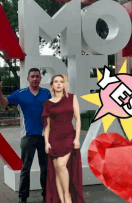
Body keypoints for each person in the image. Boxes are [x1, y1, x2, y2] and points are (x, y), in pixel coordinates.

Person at [0, 68, 51, 203]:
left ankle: (47, 196)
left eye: (37, 76)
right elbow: (4, 103)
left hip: (45, 136)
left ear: (40, 79)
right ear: (28, 78)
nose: (35, 79)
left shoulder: (47, 93)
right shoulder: (21, 93)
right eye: (32, 76)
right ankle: (23, 197)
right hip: (28, 137)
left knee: (46, 169)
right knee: (25, 169)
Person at [41, 75, 86, 203]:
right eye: (56, 82)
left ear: (64, 84)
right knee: (57, 170)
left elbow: (77, 118)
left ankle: (67, 197)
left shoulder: (71, 98)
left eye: (61, 82)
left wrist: (77, 138)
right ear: (52, 85)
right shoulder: (47, 104)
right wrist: (46, 142)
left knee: (61, 165)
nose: (59, 84)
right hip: (54, 138)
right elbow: (47, 126)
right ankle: (62, 200)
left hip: (68, 136)